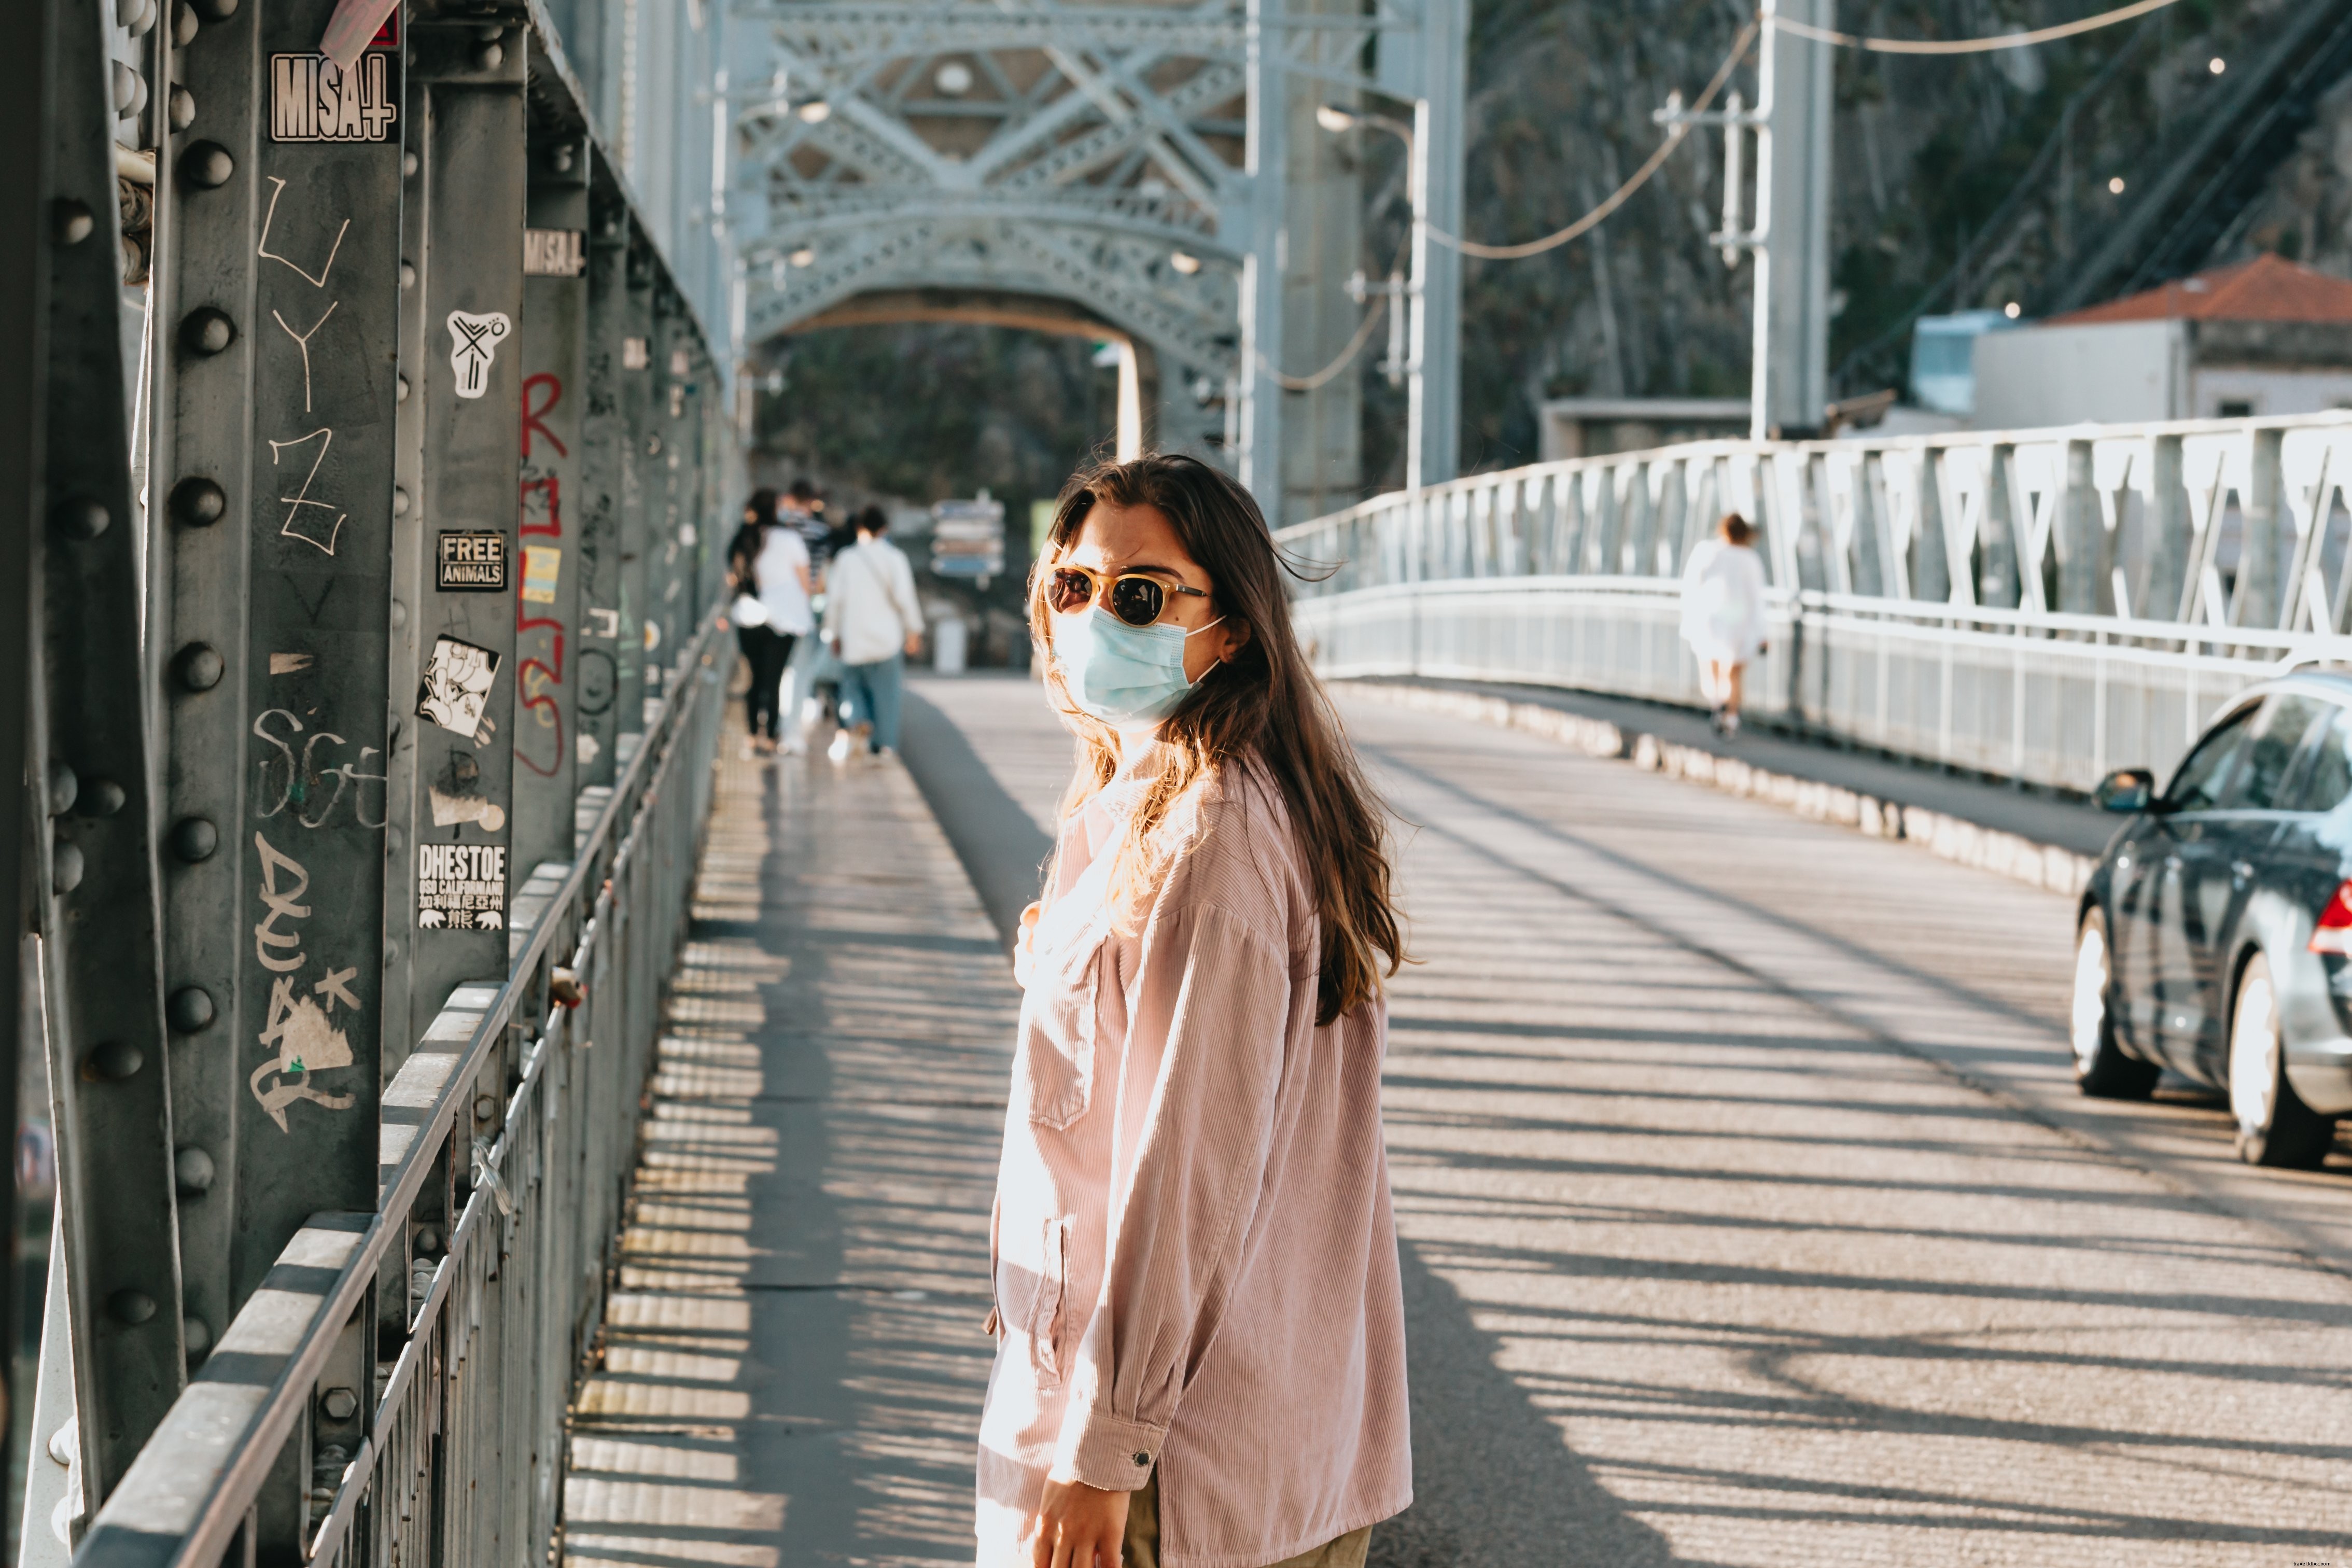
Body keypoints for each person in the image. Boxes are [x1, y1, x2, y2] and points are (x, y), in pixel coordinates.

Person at [978, 454, 1410, 1568]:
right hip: (1221, 1437)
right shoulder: (1148, 806)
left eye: (1139, 594)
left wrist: (1103, 1454)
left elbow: (1188, 1171)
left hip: (1179, 1467)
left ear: (1231, 631)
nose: (1090, 618)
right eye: (1070, 587)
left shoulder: (1209, 841)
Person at [822, 506, 925, 760]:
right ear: (884, 529)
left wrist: (833, 632)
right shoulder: (895, 558)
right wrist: (914, 631)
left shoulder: (845, 559)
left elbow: (834, 602)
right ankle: (882, 747)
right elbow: (906, 599)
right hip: (886, 640)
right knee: (887, 695)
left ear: (858, 528)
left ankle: (858, 719)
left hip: (853, 638)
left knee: (852, 687)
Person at [1680, 510, 1770, 736]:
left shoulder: (1706, 551)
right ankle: (1731, 716)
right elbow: (1757, 598)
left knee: (1710, 667)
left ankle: (1717, 703)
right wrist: (1762, 633)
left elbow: (1691, 586)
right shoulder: (1749, 559)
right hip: (1739, 621)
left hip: (1710, 618)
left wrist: (1689, 619)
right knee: (1733, 673)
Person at [725, 491, 793, 754]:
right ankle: (772, 735)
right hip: (780, 618)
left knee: (753, 677)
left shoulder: (743, 537)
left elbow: (732, 577)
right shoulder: (785, 538)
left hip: (748, 616)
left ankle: (753, 734)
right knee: (773, 679)